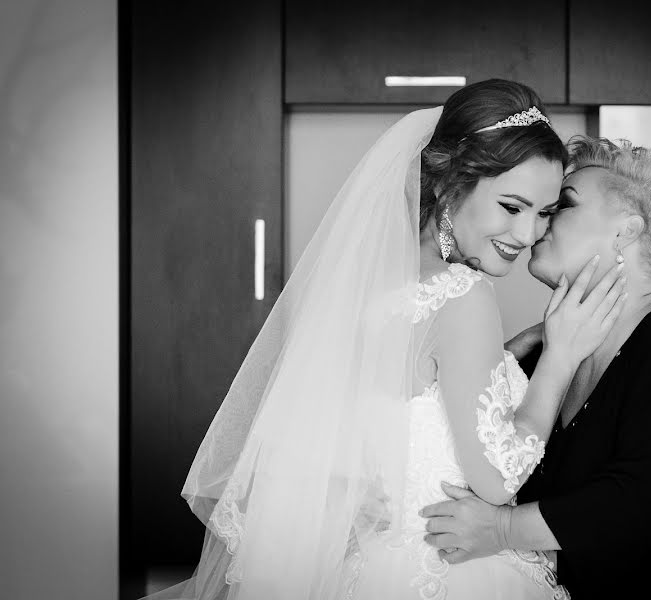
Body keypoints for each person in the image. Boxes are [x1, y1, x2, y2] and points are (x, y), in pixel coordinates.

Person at [139, 81, 625, 600]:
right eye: (512, 206)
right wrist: (561, 358)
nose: (527, 234)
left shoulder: (369, 285)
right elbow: (497, 480)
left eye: (545, 213)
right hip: (445, 573)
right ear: (451, 182)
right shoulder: (462, 294)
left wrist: (502, 357)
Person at [421, 136, 651, 599]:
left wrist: (501, 530)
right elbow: (483, 455)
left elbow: (634, 501)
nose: (536, 226)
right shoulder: (544, 356)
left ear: (625, 232)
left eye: (560, 206)